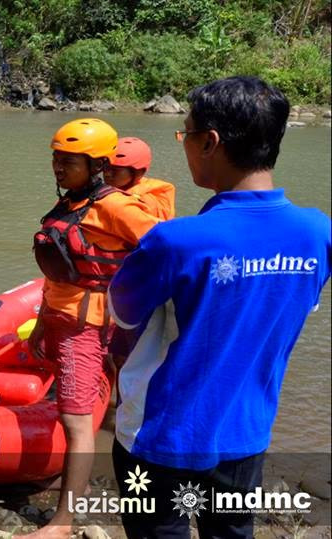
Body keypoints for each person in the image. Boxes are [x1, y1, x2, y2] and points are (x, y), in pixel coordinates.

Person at [108, 76, 330, 539]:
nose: (184, 144)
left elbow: (124, 314)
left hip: (159, 438)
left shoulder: (175, 241)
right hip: (246, 433)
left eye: (185, 133)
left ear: (209, 142)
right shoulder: (317, 233)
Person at [27, 118, 160, 538]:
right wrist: (41, 323)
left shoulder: (114, 206)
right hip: (64, 320)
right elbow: (59, 273)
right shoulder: (71, 203)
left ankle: (63, 523)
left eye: (69, 161)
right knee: (81, 414)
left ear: (98, 165)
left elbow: (165, 246)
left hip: (89, 326)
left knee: (75, 420)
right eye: (56, 159)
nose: (58, 167)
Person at [103, 137, 176, 367]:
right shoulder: (114, 194)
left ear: (138, 173)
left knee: (132, 353)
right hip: (123, 285)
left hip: (142, 289)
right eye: (106, 169)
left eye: (116, 171)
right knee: (120, 353)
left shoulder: (147, 201)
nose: (108, 175)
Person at [105, 137, 176, 220]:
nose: (107, 173)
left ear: (139, 172)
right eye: (105, 167)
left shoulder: (144, 205)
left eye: (115, 170)